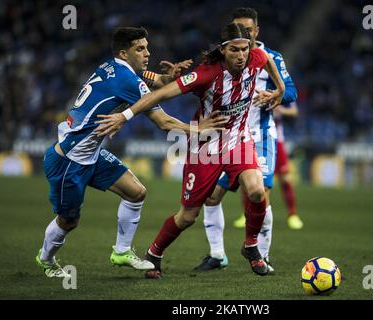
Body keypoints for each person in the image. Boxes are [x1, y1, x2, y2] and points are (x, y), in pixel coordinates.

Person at [95, 22, 286, 278]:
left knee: (256, 191)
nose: (241, 56)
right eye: (234, 50)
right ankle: (155, 253)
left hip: (240, 140)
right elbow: (159, 95)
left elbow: (268, 62)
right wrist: (125, 116)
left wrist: (280, 89)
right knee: (187, 216)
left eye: (244, 49)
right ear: (223, 50)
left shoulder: (256, 56)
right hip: (206, 148)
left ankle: (251, 246)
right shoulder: (206, 74)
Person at [36, 26, 226, 278]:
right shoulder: (129, 81)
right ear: (124, 53)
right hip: (68, 162)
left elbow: (149, 80)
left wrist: (166, 78)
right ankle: (46, 259)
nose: (147, 53)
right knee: (68, 221)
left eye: (147, 47)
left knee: (136, 192)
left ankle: (122, 251)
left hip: (90, 155)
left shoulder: (110, 67)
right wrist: (198, 129)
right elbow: (164, 122)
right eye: (140, 49)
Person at [193, 7, 297, 273]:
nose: (244, 37)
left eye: (249, 31)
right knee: (212, 197)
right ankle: (217, 255)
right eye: (239, 31)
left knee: (259, 195)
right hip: (227, 138)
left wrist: (273, 95)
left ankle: (263, 255)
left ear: (257, 31)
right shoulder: (225, 58)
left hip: (259, 135)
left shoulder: (269, 57)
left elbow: (291, 91)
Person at [273, 102, 303, 230]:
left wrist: (279, 109)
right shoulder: (249, 84)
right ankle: (246, 215)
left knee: (285, 177)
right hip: (254, 138)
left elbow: (294, 111)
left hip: (276, 139)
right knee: (249, 176)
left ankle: (292, 214)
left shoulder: (280, 85)